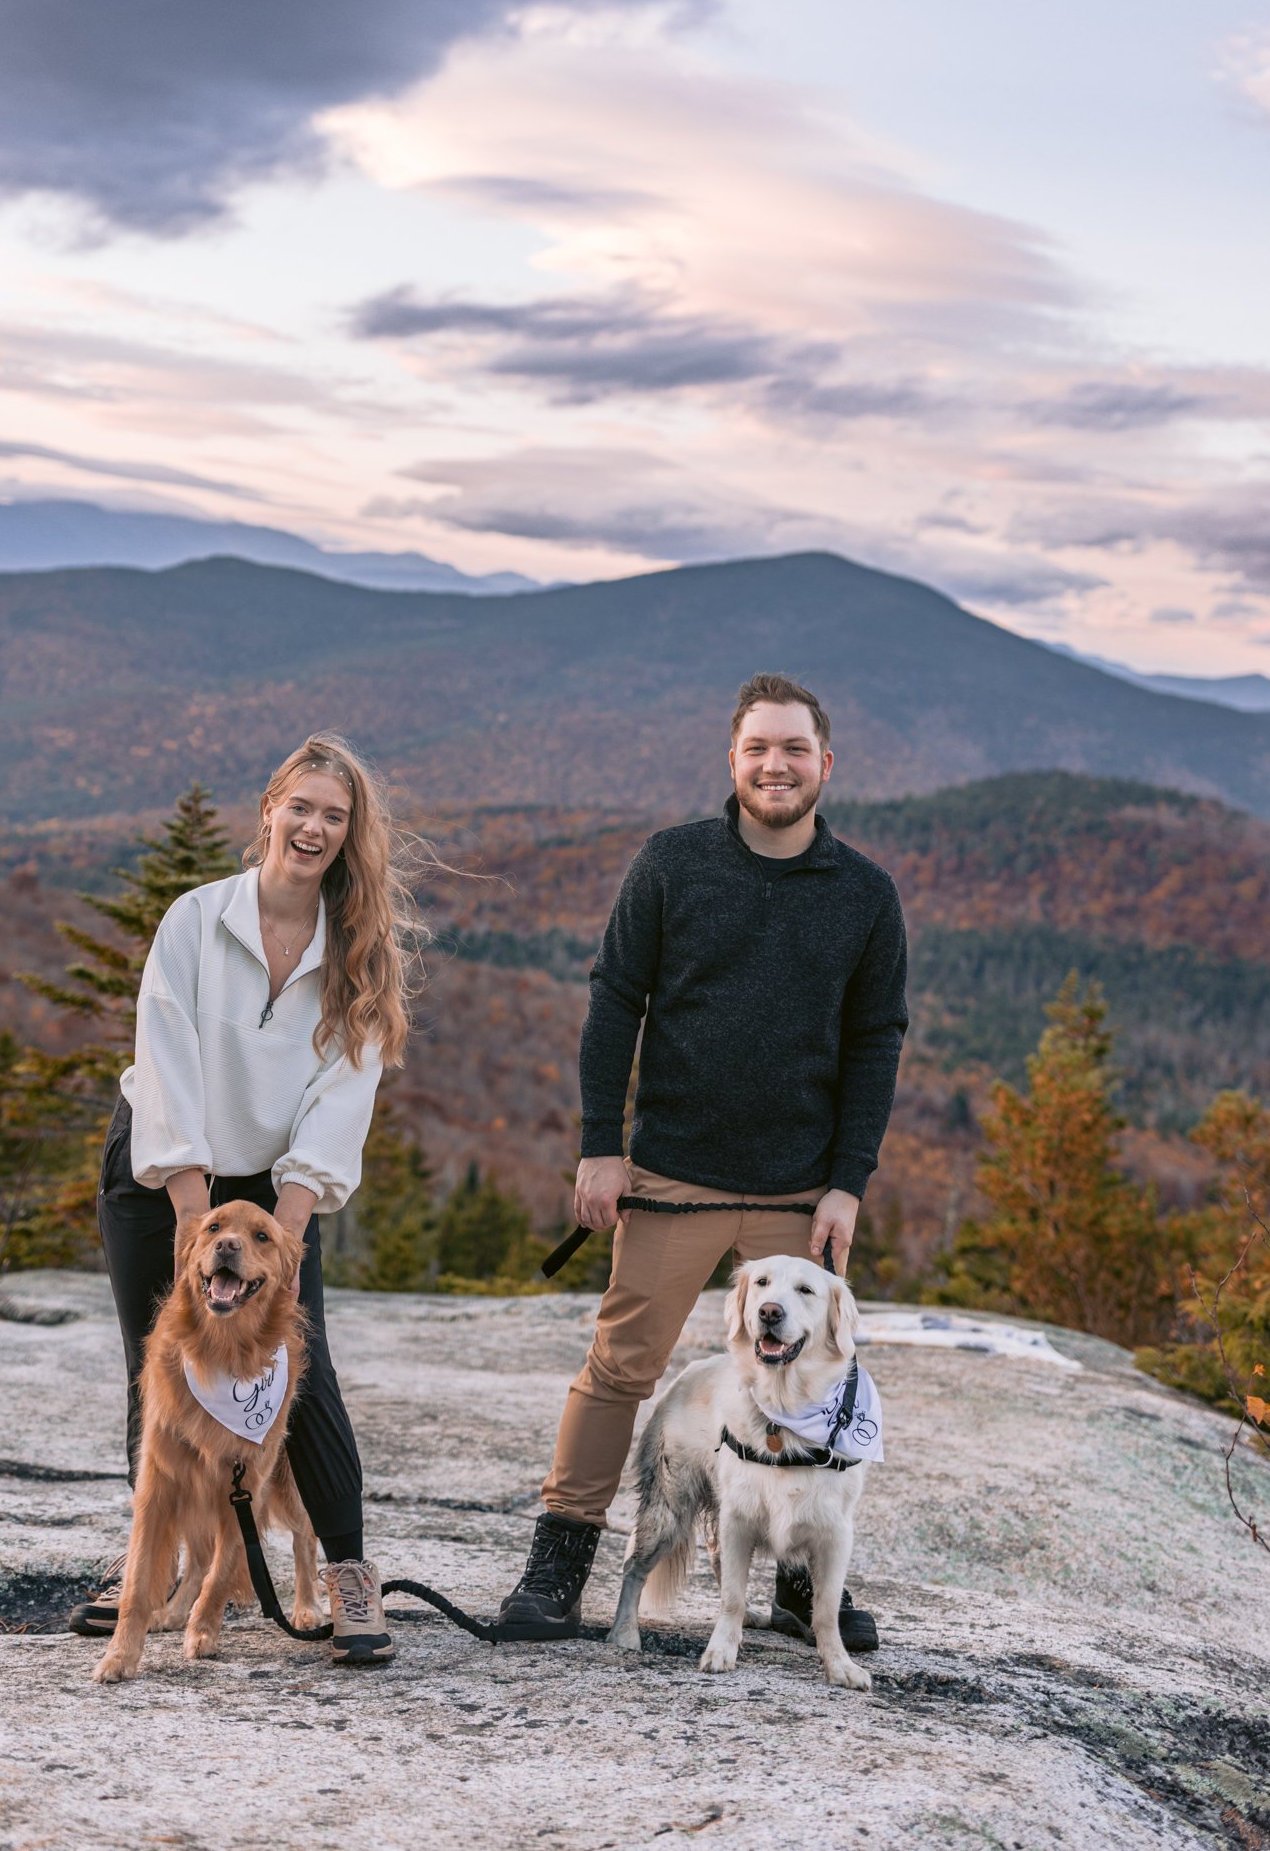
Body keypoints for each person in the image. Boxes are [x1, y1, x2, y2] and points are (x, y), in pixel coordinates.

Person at [496, 672, 908, 1651]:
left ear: (823, 763)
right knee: (618, 1369)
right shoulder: (670, 865)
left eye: (793, 749)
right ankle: (554, 1575)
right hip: (670, 1176)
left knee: (813, 1373)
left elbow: (874, 1041)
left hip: (798, 1191)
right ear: (733, 760)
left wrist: (848, 1181)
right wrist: (602, 1146)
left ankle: (802, 1585)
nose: (775, 764)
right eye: (758, 748)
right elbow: (613, 1004)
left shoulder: (862, 895)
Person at [70, 732, 418, 1666]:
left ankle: (346, 1571)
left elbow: (342, 1097)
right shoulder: (195, 920)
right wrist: (190, 1208)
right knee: (163, 1368)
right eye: (298, 807)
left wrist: (288, 1234)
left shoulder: (358, 953)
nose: (311, 827)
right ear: (267, 809)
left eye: (332, 817)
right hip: (157, 1169)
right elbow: (167, 1059)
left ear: (349, 836)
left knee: (303, 1371)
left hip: (273, 1190)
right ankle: (160, 1570)